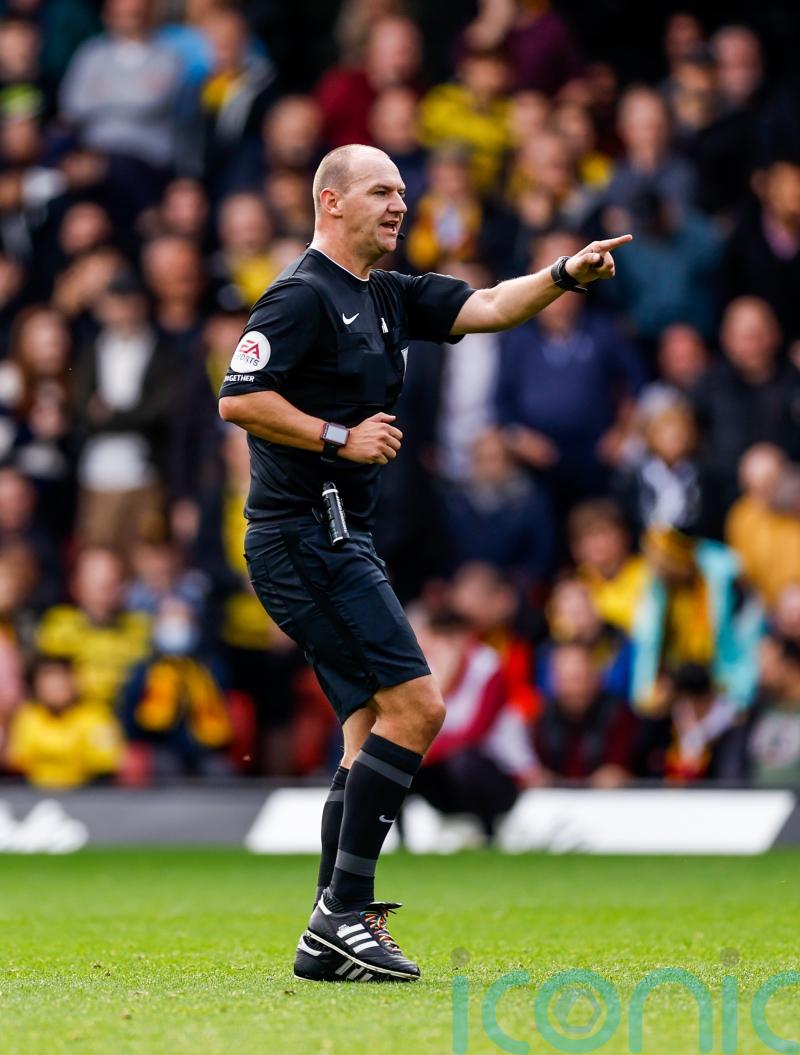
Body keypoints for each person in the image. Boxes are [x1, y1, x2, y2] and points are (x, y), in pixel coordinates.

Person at [217, 142, 631, 983]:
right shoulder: (300, 296)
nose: (399, 204)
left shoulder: (387, 295)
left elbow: (485, 306)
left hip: (336, 534)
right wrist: (339, 434)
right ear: (331, 202)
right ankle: (342, 914)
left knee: (366, 728)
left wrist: (562, 273)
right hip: (305, 533)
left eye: (402, 190)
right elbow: (238, 396)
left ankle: (329, 931)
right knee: (419, 707)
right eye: (380, 191)